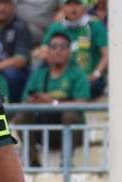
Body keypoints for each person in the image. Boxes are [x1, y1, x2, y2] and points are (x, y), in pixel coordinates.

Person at [21, 32, 89, 162]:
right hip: (44, 127)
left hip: (70, 129)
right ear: (48, 51)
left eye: (62, 47)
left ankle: (66, 162)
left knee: (69, 115)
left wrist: (53, 103)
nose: (58, 51)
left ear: (69, 52)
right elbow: (26, 99)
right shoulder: (39, 74)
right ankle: (33, 161)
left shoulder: (77, 74)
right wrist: (36, 101)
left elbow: (81, 102)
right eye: (53, 47)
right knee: (21, 116)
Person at [42, 0, 107, 97]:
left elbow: (106, 54)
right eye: (69, 4)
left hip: (88, 76)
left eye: (77, 4)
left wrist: (96, 74)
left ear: (85, 8)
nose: (73, 8)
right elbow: (44, 50)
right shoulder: (56, 27)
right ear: (63, 8)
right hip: (61, 77)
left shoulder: (95, 25)